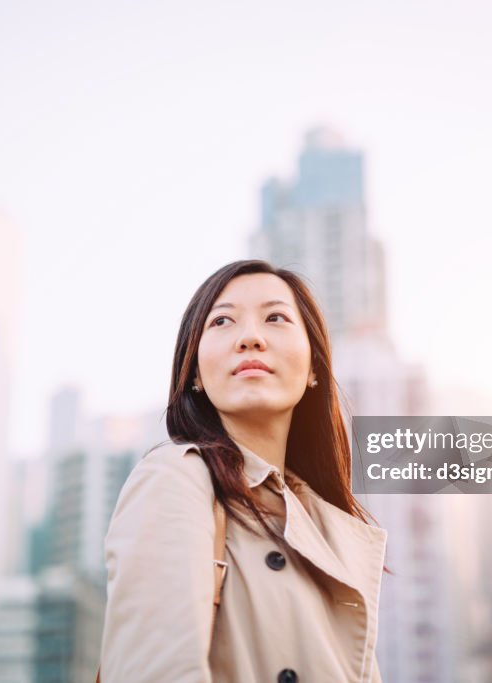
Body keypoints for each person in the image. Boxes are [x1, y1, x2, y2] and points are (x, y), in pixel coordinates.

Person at [98, 259, 389, 682]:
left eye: (275, 317)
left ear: (313, 368)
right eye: (222, 322)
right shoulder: (175, 477)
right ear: (195, 372)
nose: (250, 338)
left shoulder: (331, 531)